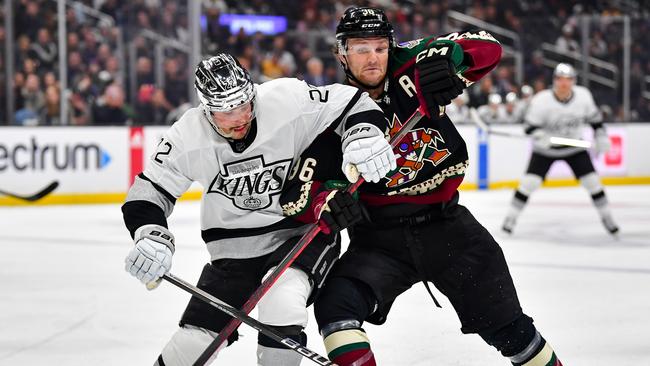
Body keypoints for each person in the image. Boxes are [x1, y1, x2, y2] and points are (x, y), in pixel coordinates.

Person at [280, 7, 564, 366]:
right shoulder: (328, 109)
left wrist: (451, 62)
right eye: (361, 48)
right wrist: (326, 202)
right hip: (379, 241)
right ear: (341, 53)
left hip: (450, 230)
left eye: (380, 48)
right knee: (335, 307)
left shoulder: (412, 62)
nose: (373, 58)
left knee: (511, 332)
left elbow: (488, 49)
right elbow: (298, 192)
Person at [121, 53, 395, 366]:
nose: (238, 117)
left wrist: (363, 133)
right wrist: (151, 235)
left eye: (243, 105)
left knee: (283, 301)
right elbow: (149, 191)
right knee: (192, 342)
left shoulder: (286, 99)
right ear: (206, 111)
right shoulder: (186, 135)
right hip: (233, 252)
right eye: (225, 112)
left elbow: (353, 101)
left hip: (301, 231)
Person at [502, 63, 619, 235]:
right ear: (555, 81)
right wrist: (540, 135)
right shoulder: (541, 100)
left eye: (568, 80)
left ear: (574, 81)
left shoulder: (583, 97)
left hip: (574, 147)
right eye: (560, 79)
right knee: (529, 184)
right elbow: (529, 127)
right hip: (546, 150)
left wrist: (601, 136)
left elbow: (596, 121)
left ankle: (607, 217)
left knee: (593, 183)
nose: (564, 84)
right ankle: (510, 218)